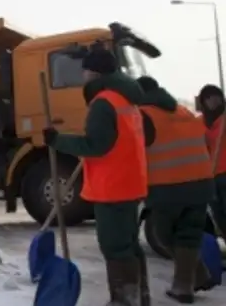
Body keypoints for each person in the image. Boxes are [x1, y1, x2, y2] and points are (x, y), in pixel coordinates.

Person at [42, 48, 148, 306]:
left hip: (112, 187)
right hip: (128, 184)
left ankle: (125, 300)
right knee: (129, 244)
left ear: (95, 72)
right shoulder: (126, 100)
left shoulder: (103, 103)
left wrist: (58, 140)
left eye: (86, 70)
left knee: (115, 246)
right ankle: (139, 296)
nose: (84, 75)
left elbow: (96, 145)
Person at [137, 76, 215, 303]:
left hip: (167, 186)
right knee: (188, 236)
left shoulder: (143, 115)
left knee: (163, 234)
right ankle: (185, 285)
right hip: (201, 184)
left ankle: (195, 275)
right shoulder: (184, 111)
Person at [197, 85, 226, 242]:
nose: (213, 101)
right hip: (210, 177)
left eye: (216, 96)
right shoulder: (198, 122)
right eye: (208, 98)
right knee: (219, 217)